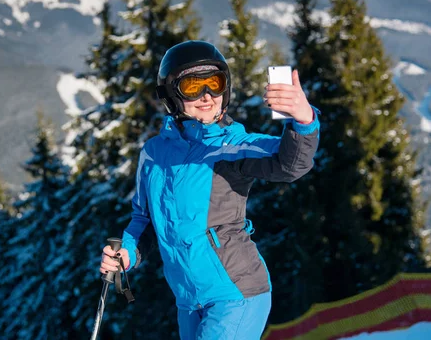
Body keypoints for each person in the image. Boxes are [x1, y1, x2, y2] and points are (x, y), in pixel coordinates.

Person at [99, 40, 320, 339]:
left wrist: (303, 120)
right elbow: (146, 220)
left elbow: (289, 164)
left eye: (214, 84)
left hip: (235, 294)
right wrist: (127, 251)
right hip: (188, 301)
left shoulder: (230, 146)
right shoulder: (153, 154)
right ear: (171, 94)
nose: (206, 96)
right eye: (193, 86)